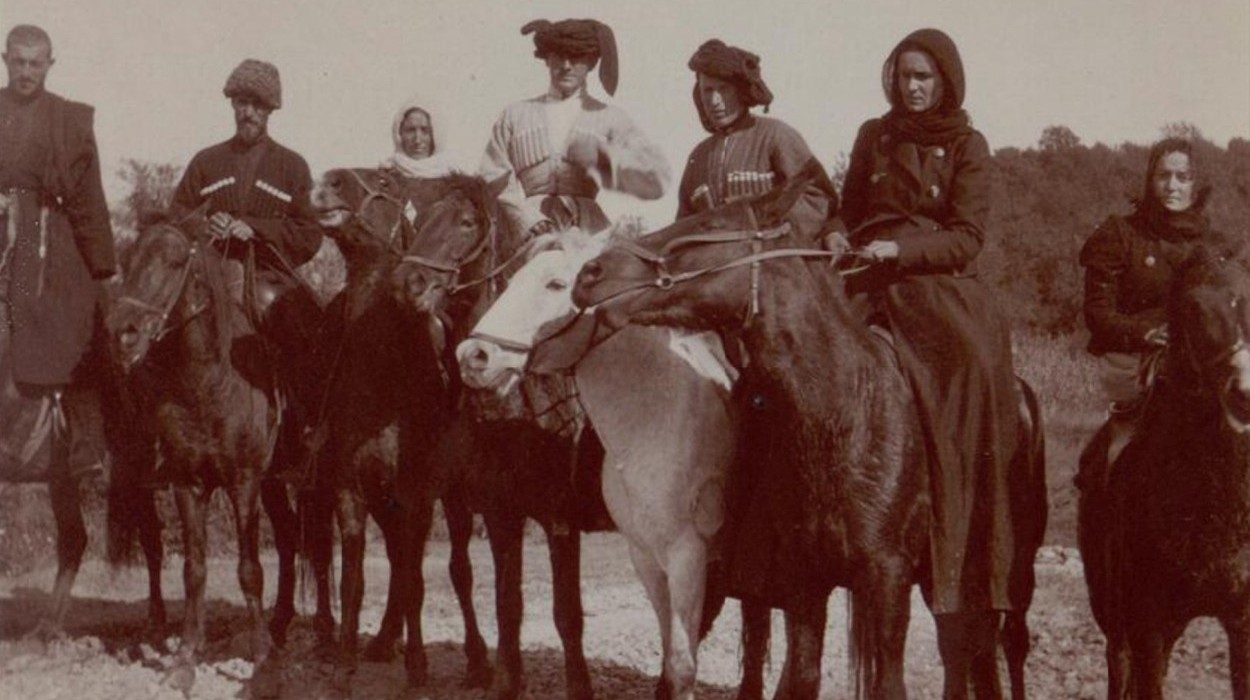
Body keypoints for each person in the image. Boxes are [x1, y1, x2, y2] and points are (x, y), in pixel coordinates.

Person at [838, 28, 1020, 619]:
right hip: (863, 272)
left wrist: (901, 251)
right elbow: (847, 209)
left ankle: (966, 501)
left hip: (932, 281)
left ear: (944, 81)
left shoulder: (970, 144)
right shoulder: (875, 134)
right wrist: (838, 235)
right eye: (903, 76)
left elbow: (968, 237)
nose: (911, 87)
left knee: (972, 360)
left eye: (923, 77)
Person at [169, 59, 323, 479]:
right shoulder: (206, 161)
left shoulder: (292, 166)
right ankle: (163, 439)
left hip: (267, 275)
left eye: (256, 105)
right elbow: (176, 217)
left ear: (271, 109)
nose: (247, 113)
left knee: (303, 331)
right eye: (241, 103)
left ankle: (304, 430)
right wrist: (204, 225)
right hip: (209, 274)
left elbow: (309, 233)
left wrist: (252, 229)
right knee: (163, 330)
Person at [1077, 137, 1231, 485]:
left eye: (1183, 176)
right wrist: (1145, 333)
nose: (1172, 186)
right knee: (1122, 454)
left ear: (1197, 183)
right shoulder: (1120, 234)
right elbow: (1097, 313)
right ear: (1150, 179)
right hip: (1134, 361)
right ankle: (1106, 516)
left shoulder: (1214, 244)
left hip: (1202, 365)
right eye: (1163, 176)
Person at [1, 24, 114, 479]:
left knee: (81, 317)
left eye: (35, 62)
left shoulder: (68, 120)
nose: (26, 70)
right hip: (3, 231)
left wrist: (105, 268)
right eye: (18, 60)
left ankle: (86, 441)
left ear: (50, 63)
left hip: (47, 235)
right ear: (5, 59)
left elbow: (89, 199)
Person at [480, 18, 669, 237]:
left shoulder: (610, 118)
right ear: (547, 59)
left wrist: (605, 161)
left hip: (590, 231)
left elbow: (654, 180)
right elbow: (491, 175)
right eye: (559, 56)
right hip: (528, 231)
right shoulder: (515, 115)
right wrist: (525, 218)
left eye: (576, 57)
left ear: (590, 62)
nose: (566, 65)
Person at [678, 39, 835, 240]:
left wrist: (767, 225)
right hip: (716, 268)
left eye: (724, 89)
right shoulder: (698, 157)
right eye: (707, 90)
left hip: (773, 263)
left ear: (741, 92)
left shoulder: (775, 135)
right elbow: (683, 224)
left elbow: (817, 198)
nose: (714, 101)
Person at [380, 97, 460, 234]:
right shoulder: (385, 175)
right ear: (399, 134)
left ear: (436, 134)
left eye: (425, 131)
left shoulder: (453, 178)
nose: (418, 140)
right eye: (410, 130)